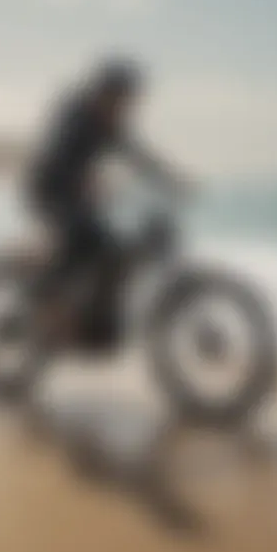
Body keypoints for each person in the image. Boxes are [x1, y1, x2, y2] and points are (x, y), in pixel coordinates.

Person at [24, 57, 191, 346]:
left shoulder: (108, 124)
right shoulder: (76, 117)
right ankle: (46, 304)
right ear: (106, 92)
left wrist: (171, 181)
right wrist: (83, 184)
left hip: (76, 193)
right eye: (123, 99)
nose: (126, 108)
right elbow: (59, 156)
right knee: (81, 238)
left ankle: (99, 320)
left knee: (114, 248)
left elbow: (138, 155)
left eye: (129, 102)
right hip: (48, 190)